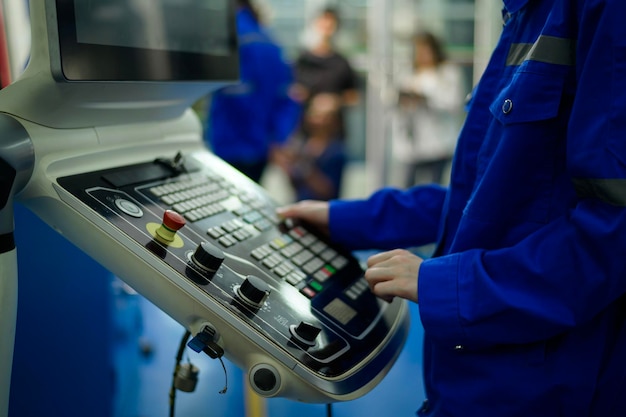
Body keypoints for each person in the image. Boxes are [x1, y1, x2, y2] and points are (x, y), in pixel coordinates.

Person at [277, 0, 626, 415]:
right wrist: (347, 218)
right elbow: (486, 200)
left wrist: (449, 286)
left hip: (544, 388)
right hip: (478, 377)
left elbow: (615, 233)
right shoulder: (525, 15)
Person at [205, 0, 300, 183]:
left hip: (230, 145)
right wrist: (278, 138)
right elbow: (287, 98)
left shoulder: (230, 37)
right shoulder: (271, 41)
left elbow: (237, 98)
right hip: (260, 148)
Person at [392, 32, 465, 187]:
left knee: (433, 189)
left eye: (426, 50)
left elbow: (453, 104)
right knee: (407, 190)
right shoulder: (410, 74)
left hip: (439, 143)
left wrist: (427, 98)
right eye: (419, 51)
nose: (423, 55)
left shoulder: (448, 73)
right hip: (413, 145)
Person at [292, 7, 359, 142]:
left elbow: (353, 96)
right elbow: (291, 91)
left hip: (333, 134)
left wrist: (334, 101)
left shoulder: (341, 62)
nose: (326, 30)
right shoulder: (303, 61)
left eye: (330, 25)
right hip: (307, 133)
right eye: (323, 24)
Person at [272, 93, 347, 201]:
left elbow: (326, 190)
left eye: (325, 117)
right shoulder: (302, 144)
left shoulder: (335, 151)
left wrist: (302, 165)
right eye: (315, 114)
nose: (318, 121)